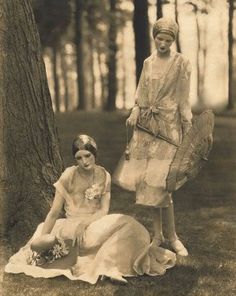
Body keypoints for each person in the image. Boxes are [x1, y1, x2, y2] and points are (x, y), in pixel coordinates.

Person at [5, 134, 176, 284]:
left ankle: (111, 267)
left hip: (95, 222)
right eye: (79, 158)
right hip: (71, 226)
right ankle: (103, 267)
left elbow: (103, 210)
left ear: (95, 154)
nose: (84, 161)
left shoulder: (104, 175)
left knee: (132, 226)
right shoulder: (68, 175)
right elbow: (54, 212)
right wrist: (43, 242)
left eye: (87, 155)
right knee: (120, 228)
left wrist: (85, 224)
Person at [113, 17, 192, 257]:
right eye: (160, 38)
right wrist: (135, 112)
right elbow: (141, 95)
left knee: (163, 184)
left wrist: (188, 126)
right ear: (154, 37)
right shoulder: (148, 63)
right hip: (147, 129)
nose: (164, 44)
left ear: (173, 41)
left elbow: (183, 99)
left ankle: (173, 236)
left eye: (168, 40)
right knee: (149, 184)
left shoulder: (182, 63)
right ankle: (158, 235)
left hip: (168, 129)